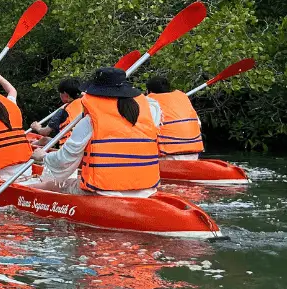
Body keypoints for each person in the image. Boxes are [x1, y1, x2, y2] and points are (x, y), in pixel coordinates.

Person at [26, 67, 162, 197]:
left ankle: (23, 190)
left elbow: (64, 161)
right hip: (146, 189)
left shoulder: (90, 121)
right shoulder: (149, 114)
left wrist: (43, 157)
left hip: (103, 191)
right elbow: (151, 102)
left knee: (54, 185)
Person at [146, 75, 203, 160]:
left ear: (149, 91)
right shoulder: (183, 99)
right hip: (193, 155)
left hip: (169, 157)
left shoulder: (150, 102)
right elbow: (199, 124)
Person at [30, 77, 84, 146]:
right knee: (45, 140)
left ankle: (33, 144)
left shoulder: (61, 113)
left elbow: (45, 132)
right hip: (83, 143)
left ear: (65, 94)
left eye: (60, 93)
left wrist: (37, 127)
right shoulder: (86, 103)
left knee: (44, 139)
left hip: (68, 147)